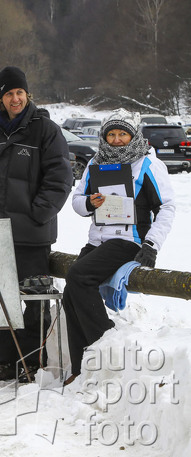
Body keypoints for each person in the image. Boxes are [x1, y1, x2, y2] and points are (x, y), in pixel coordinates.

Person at [0, 66, 72, 382]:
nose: (15, 98)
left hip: (31, 236)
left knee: (35, 302)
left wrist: (37, 214)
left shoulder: (46, 131)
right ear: (1, 97)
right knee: (0, 300)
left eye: (19, 93)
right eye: (9, 93)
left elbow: (60, 178)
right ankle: (4, 360)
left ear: (27, 94)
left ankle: (30, 363)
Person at [62, 109, 175, 386]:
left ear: (133, 135)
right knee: (69, 294)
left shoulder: (148, 164)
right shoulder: (96, 163)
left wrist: (152, 244)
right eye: (111, 134)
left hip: (130, 241)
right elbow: (77, 200)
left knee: (79, 277)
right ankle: (81, 368)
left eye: (122, 133)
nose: (116, 140)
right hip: (98, 239)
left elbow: (167, 207)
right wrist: (91, 203)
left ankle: (109, 350)